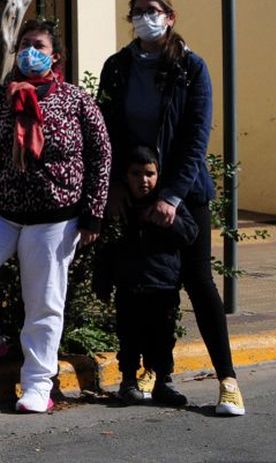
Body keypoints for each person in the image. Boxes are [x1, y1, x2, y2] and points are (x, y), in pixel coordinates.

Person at [0, 18, 110, 414]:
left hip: (55, 214)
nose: (29, 51)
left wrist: (92, 215)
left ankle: (38, 383)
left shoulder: (75, 100)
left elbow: (101, 154)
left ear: (55, 56)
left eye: (38, 45)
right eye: (24, 44)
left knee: (43, 301)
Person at [97, 0, 246, 417]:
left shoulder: (190, 68)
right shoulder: (118, 68)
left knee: (198, 283)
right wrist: (116, 186)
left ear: (170, 16)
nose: (146, 18)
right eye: (138, 12)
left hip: (185, 194)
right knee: (144, 287)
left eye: (154, 11)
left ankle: (228, 380)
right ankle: (150, 371)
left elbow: (196, 137)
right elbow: (108, 131)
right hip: (133, 191)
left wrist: (172, 196)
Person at [104, 145, 198, 407]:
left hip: (163, 285)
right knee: (129, 335)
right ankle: (128, 381)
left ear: (158, 175)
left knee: (162, 336)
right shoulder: (120, 206)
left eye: (149, 173)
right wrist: (103, 280)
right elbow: (107, 246)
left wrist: (169, 220)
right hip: (129, 285)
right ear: (126, 176)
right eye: (136, 174)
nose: (143, 180)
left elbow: (190, 233)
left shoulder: (168, 204)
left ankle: (163, 381)